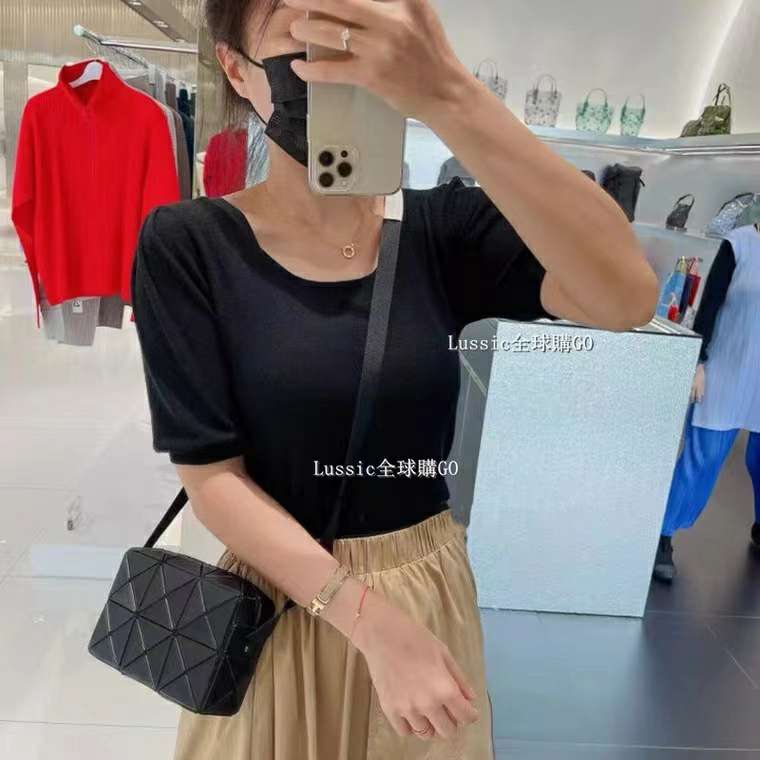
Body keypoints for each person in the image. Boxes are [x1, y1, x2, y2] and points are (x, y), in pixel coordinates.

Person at [129, 1, 658, 757]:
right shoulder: (190, 245)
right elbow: (212, 477)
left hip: (426, 596)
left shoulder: (445, 232)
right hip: (285, 603)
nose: (338, 56)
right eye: (304, 31)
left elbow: (626, 298)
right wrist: (368, 622)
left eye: (358, 31)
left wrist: (452, 94)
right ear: (237, 69)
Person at [654, 218, 760, 583]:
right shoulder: (739, 244)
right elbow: (710, 304)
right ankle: (663, 535)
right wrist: (698, 362)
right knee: (705, 456)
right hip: (728, 366)